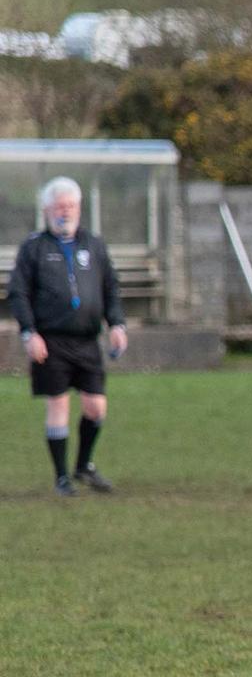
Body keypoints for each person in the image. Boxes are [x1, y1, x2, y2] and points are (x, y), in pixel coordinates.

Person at [7, 176, 125, 496]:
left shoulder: (94, 245)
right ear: (47, 209)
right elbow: (18, 293)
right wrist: (29, 333)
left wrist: (117, 325)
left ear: (79, 208)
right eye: (59, 206)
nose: (65, 211)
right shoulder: (34, 248)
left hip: (87, 340)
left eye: (70, 206)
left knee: (96, 407)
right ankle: (62, 478)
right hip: (51, 341)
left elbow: (110, 288)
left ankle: (84, 465)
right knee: (58, 405)